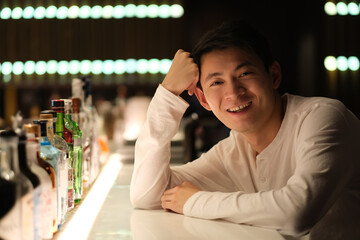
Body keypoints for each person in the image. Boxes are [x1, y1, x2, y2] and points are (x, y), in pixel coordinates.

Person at [130, 21, 360, 239]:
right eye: (217, 82)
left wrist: (194, 201)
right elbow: (148, 196)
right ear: (204, 100)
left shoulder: (323, 117)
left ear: (274, 76)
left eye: (244, 74)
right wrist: (168, 93)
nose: (234, 92)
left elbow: (297, 213)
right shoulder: (233, 151)